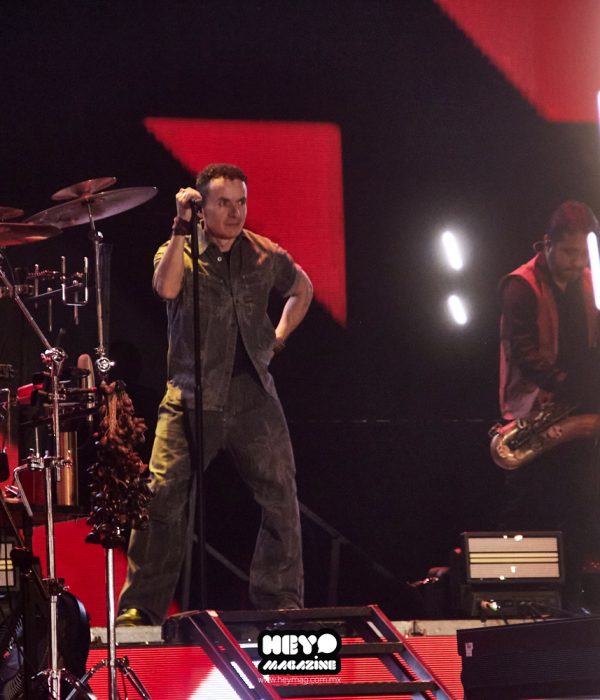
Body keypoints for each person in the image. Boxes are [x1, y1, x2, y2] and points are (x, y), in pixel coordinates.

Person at [116, 163, 313, 625]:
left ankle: (280, 600)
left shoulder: (263, 253)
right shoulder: (179, 249)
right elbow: (165, 288)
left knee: (280, 494)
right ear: (202, 208)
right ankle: (141, 608)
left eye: (241, 202)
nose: (235, 212)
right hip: (190, 395)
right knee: (161, 496)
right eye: (224, 203)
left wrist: (277, 339)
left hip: (252, 394)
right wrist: (179, 227)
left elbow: (302, 288)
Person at [498, 200, 600, 609]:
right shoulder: (519, 286)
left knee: (579, 510)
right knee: (529, 510)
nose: (578, 263)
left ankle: (571, 603)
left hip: (578, 408)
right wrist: (566, 386)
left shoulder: (588, 281)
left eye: (584, 254)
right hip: (537, 413)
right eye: (570, 253)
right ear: (547, 243)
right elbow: (524, 353)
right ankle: (517, 602)